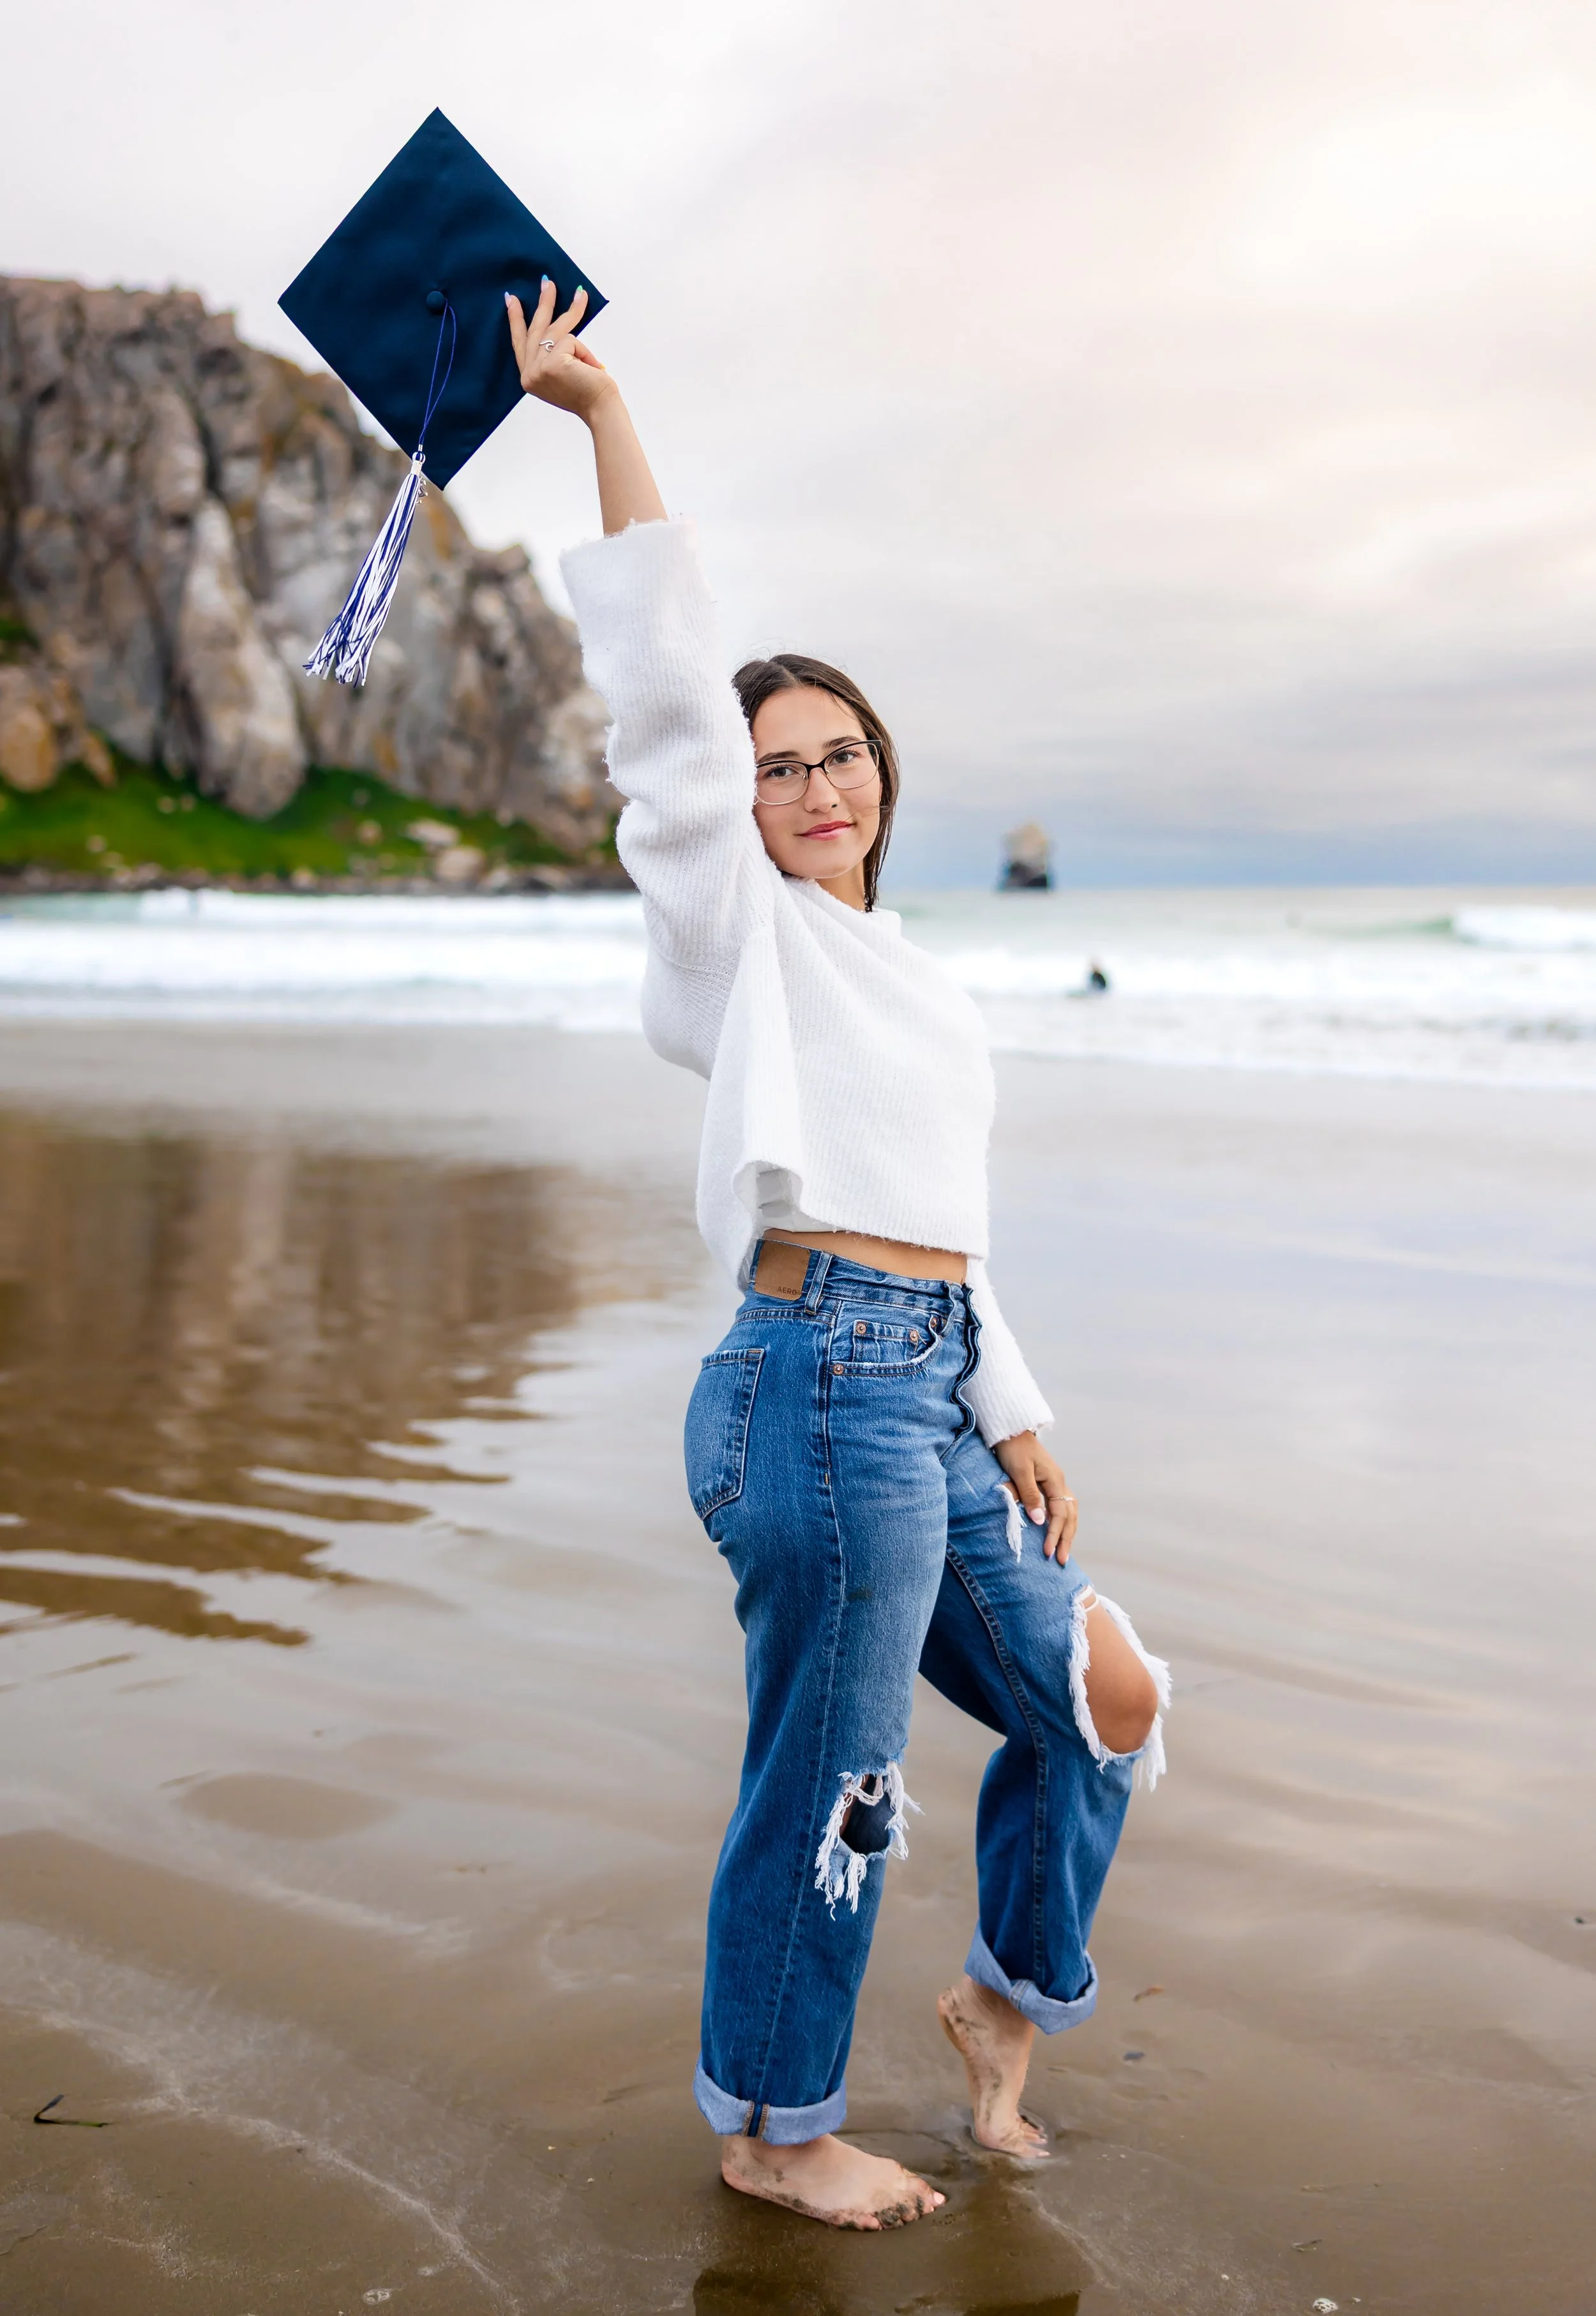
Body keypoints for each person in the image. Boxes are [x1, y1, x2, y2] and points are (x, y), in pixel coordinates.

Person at [506, 281, 1169, 2232]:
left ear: (883, 767)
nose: (814, 788)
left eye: (839, 753)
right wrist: (601, 416)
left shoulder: (916, 983)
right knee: (836, 1777)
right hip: (807, 1393)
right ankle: (774, 2124)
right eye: (777, 765)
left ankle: (1002, 2000)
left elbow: (946, 1221)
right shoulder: (742, 937)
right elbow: (661, 712)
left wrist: (1011, 1405)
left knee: (1103, 1697)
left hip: (933, 1384)